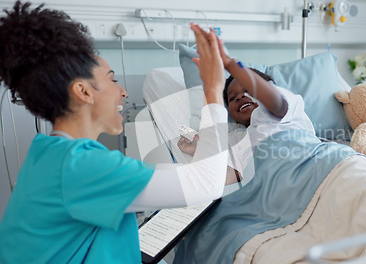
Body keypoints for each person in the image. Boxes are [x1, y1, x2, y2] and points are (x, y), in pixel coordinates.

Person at [0, 1, 228, 263]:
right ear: (83, 91)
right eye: (112, 79)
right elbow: (206, 184)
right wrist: (212, 91)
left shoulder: (47, 153)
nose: (123, 92)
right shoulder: (82, 166)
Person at [178, 36, 315, 184]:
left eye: (247, 90)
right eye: (232, 98)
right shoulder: (241, 140)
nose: (240, 97)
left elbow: (277, 103)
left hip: (322, 168)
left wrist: (231, 65)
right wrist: (199, 150)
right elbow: (229, 175)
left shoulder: (280, 112)